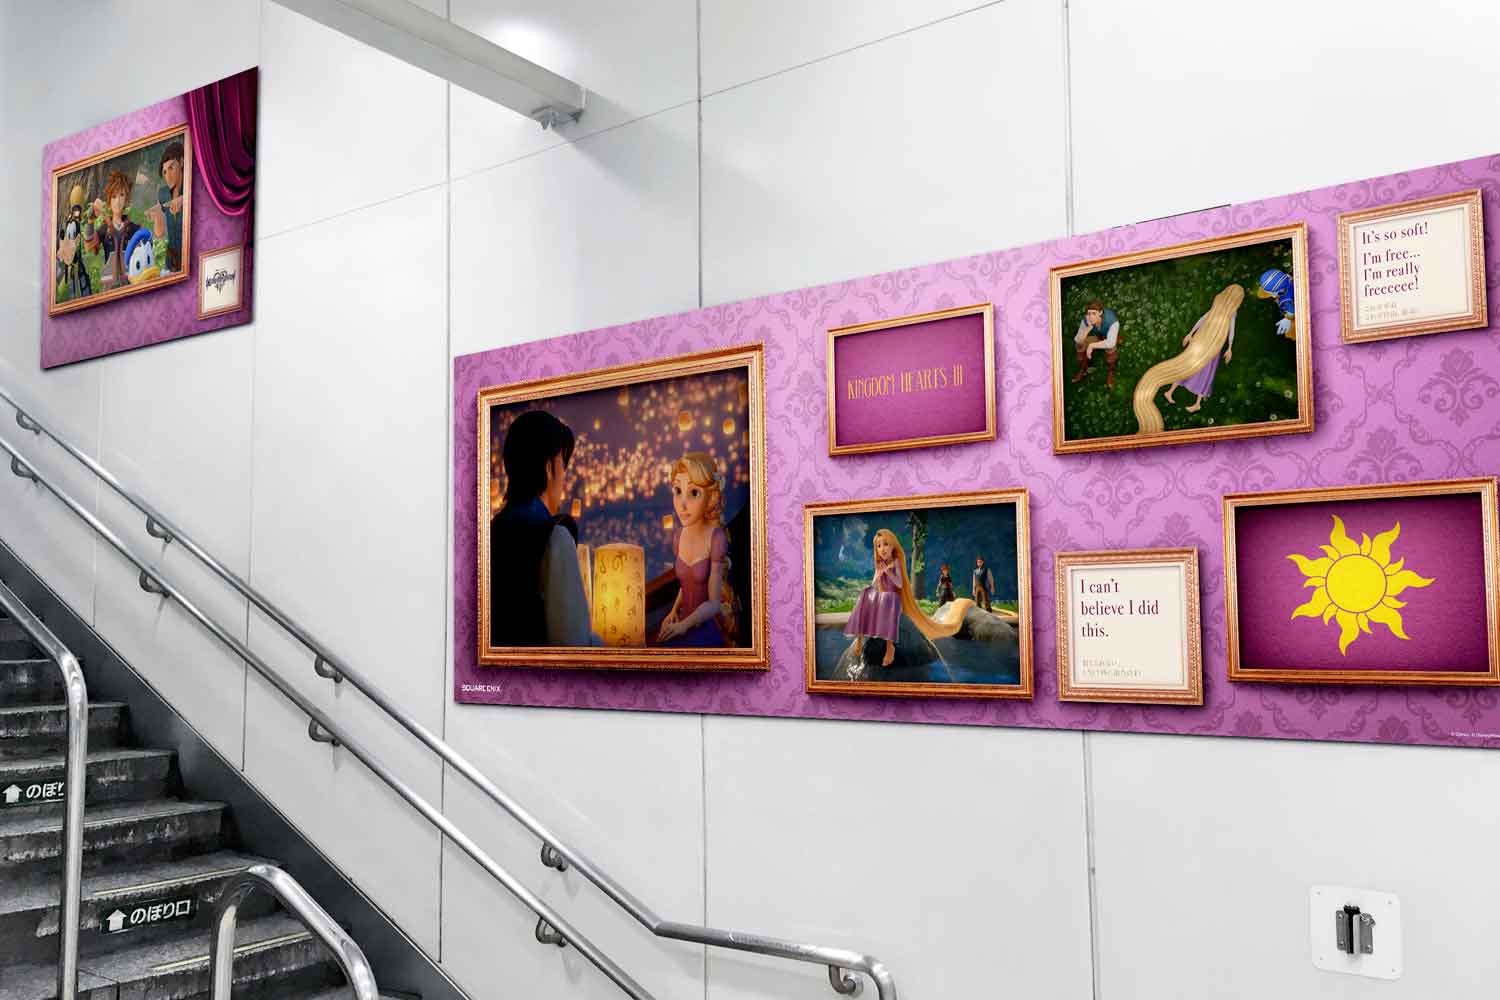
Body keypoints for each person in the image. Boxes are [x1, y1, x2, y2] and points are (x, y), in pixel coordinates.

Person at [489, 410, 600, 647]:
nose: (564, 477)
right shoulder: (554, 537)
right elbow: (573, 644)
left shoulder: (491, 533)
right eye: (563, 465)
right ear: (549, 468)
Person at [845, 529, 972, 671]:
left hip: (893, 601)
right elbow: (874, 584)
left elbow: (899, 583)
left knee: (887, 598)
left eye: (886, 544)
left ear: (893, 546)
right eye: (878, 546)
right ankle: (859, 639)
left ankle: (890, 647)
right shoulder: (880, 565)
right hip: (883, 600)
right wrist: (879, 573)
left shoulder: (896, 562)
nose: (882, 549)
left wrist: (887, 571)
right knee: (865, 593)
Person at [657, 452, 735, 647]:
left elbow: (714, 604)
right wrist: (673, 611)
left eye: (693, 493)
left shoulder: (716, 538)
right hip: (681, 624)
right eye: (678, 491)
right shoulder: (679, 536)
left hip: (703, 631)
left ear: (711, 497)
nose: (682, 504)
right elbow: (686, 584)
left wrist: (684, 626)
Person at [1164, 304, 1236, 413]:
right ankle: (1171, 392)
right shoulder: (1220, 306)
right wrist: (1191, 333)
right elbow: (1203, 319)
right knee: (1190, 366)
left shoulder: (1231, 311)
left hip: (1214, 345)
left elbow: (1231, 330)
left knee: (1206, 372)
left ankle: (1196, 403)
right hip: (1205, 341)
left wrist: (1230, 347)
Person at [85, 170, 142, 291]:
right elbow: (90, 245)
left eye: (122, 195)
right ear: (109, 201)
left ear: (126, 199)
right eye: (114, 196)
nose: (118, 201)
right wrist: (90, 221)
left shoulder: (134, 228)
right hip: (109, 285)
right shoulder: (104, 228)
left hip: (130, 281)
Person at [150, 140, 186, 274]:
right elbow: (159, 233)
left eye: (171, 168)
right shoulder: (163, 193)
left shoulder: (190, 186)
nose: (168, 176)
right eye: (164, 172)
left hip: (189, 254)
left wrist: (183, 199)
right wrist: (157, 217)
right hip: (171, 260)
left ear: (181, 162)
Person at [1071, 300, 1122, 389]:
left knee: (1111, 348)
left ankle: (1111, 371)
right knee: (1079, 346)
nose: (1091, 317)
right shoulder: (1086, 320)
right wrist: (1087, 329)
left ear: (1100, 312)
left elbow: (1110, 343)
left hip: (1108, 335)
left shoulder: (1113, 321)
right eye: (1089, 313)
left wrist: (1092, 346)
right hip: (1097, 336)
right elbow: (1078, 340)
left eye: (1094, 313)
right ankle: (1083, 368)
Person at [1256, 268, 1296, 339]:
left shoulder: (1286, 301)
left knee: (1289, 333)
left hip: (1293, 310)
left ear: (1277, 293)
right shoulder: (1289, 279)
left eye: (1270, 293)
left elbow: (1292, 311)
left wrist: (1287, 319)